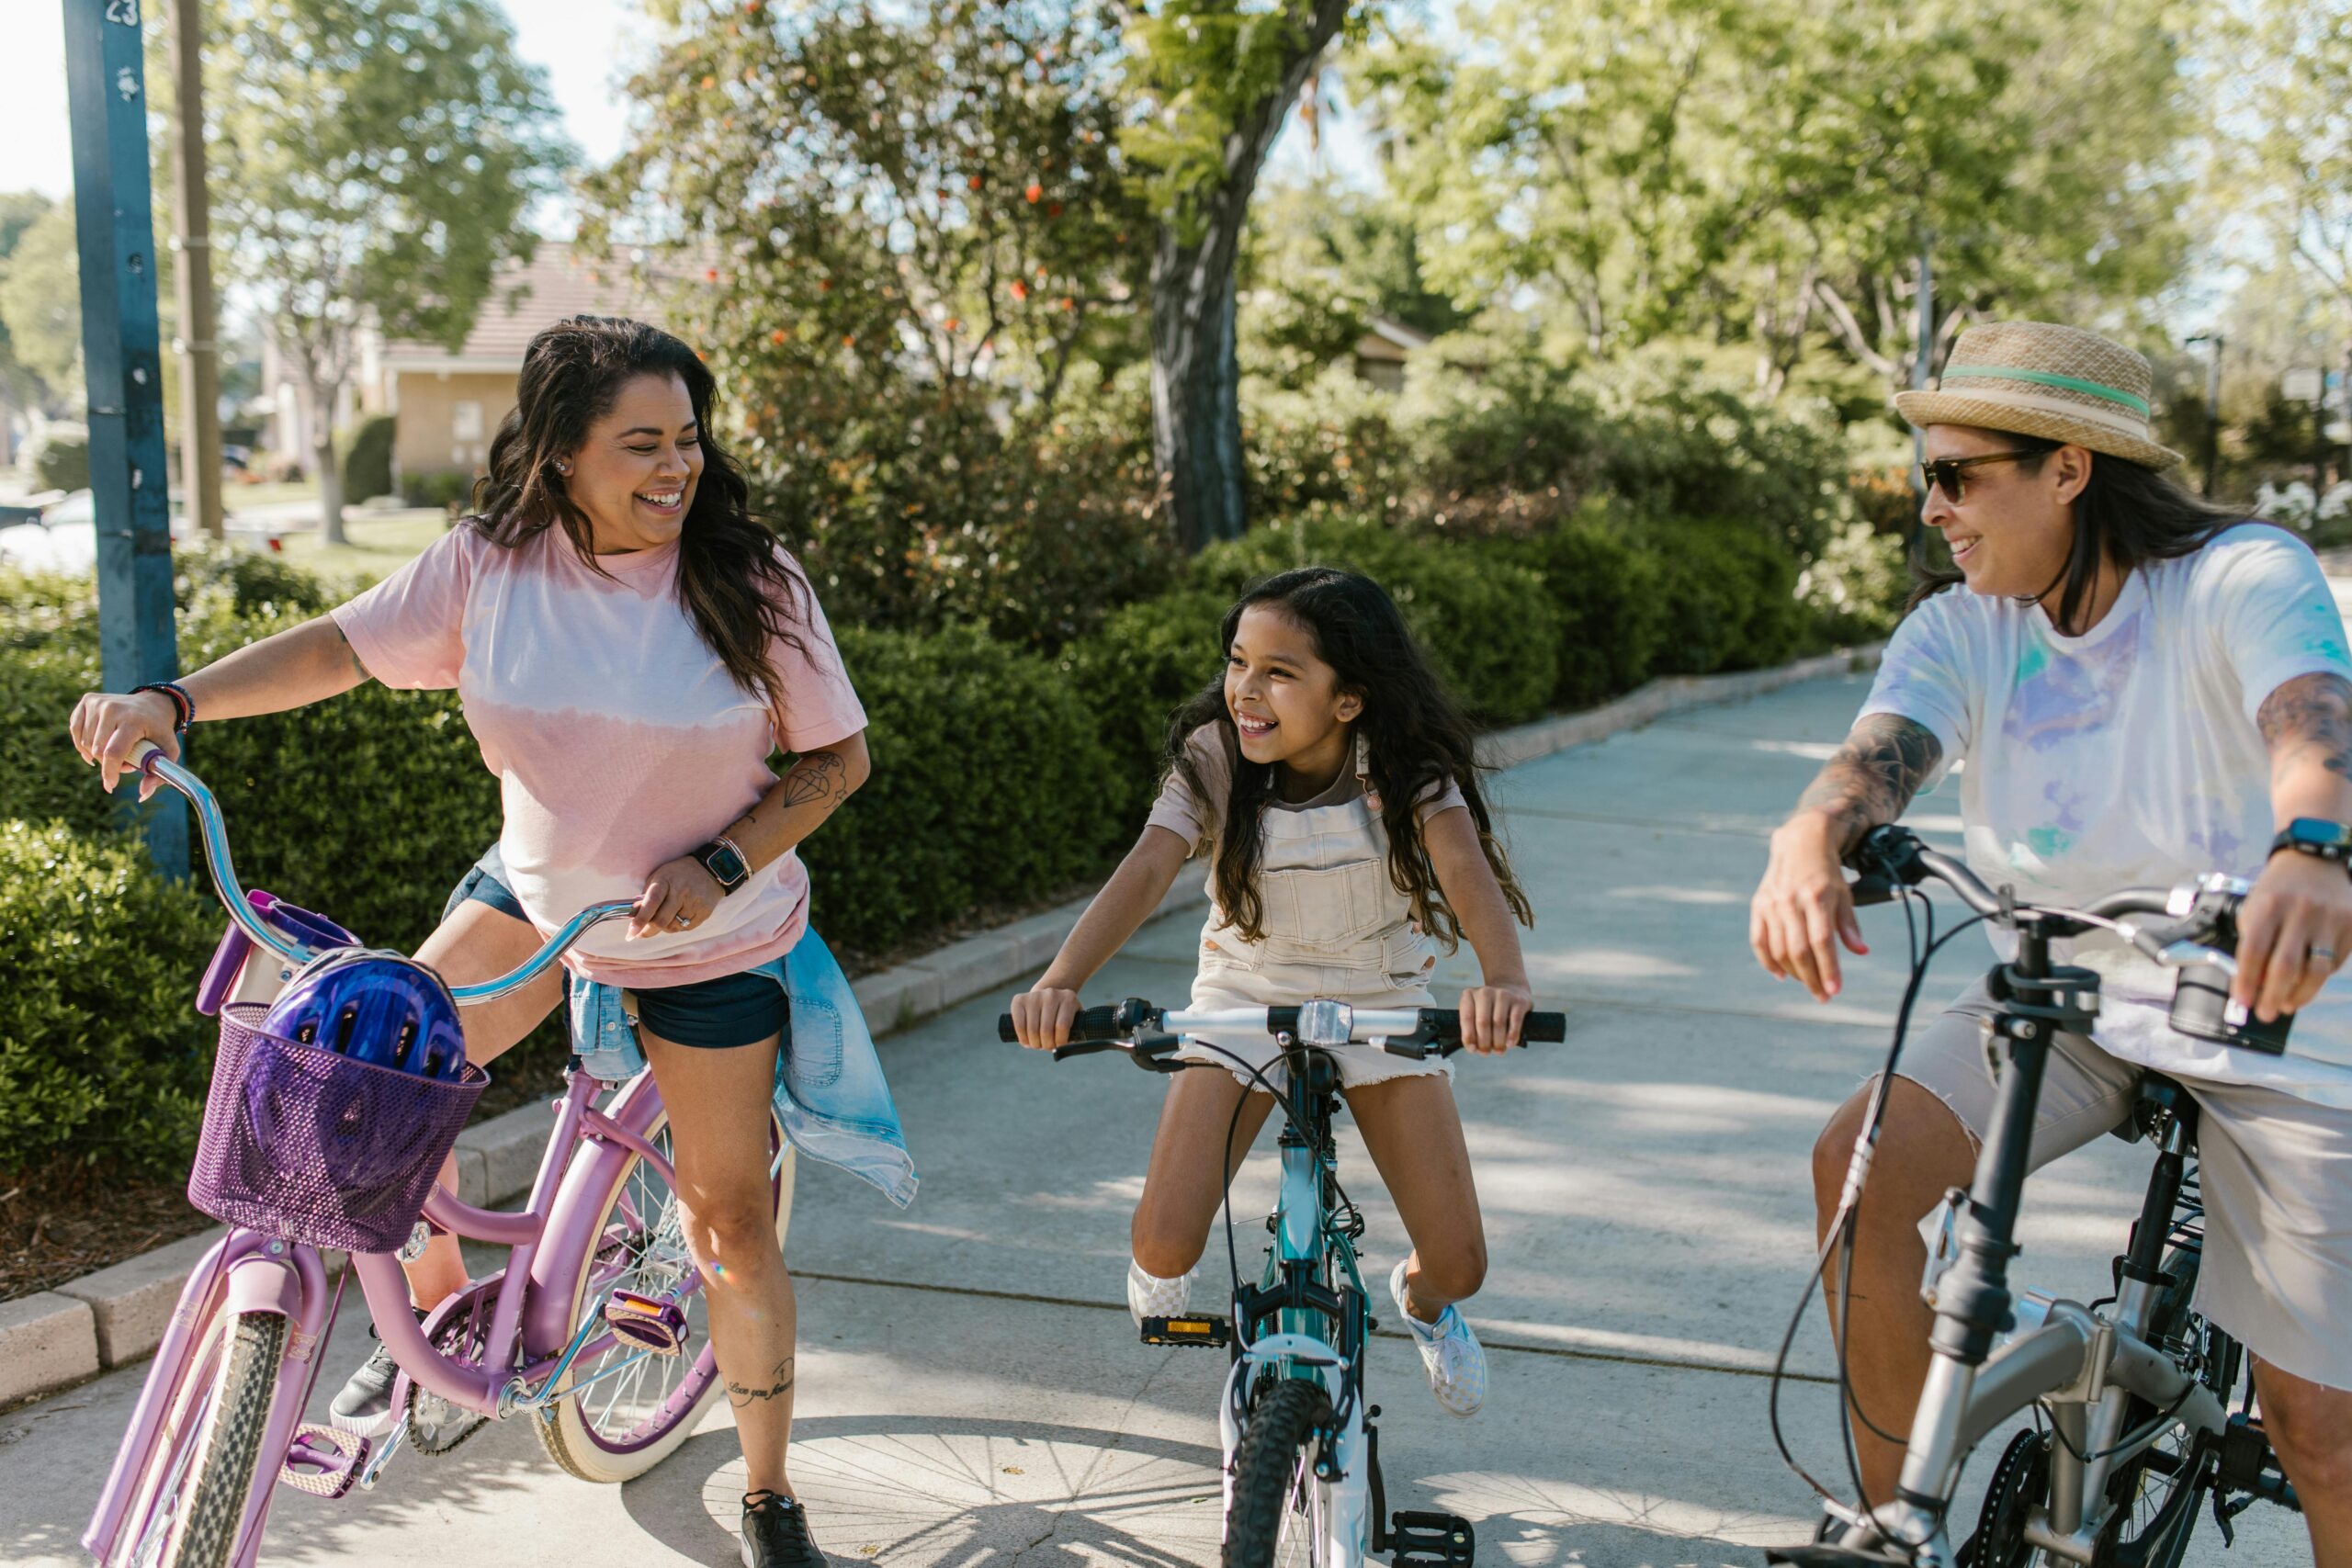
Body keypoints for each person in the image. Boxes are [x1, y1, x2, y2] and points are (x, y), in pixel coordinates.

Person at [70, 315, 876, 1568]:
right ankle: (434, 1333)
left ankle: (770, 1494)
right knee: (382, 1087)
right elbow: (342, 644)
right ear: (560, 451)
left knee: (726, 1218)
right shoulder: (490, 564)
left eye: (690, 440)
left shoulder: (749, 577)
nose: (678, 470)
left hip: (703, 928)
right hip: (538, 891)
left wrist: (719, 863)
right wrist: (175, 700)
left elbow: (838, 757)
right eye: (642, 444)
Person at [1749, 321, 2352, 1562]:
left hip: (2274, 1002)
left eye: (1960, 474)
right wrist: (1810, 834)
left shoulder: (2242, 575)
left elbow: (2313, 718)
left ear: (2069, 467)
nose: (1934, 507)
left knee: (2318, 1424)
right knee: (1858, 1172)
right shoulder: (1968, 622)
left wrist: (2313, 844)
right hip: (2064, 991)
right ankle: (1888, 1517)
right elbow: (1878, 757)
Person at [1008, 567, 1538, 1416]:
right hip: (1243, 990)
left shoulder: (1405, 772)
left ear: (1350, 700)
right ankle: (1168, 1265)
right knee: (1166, 1245)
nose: (1245, 691)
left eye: (1280, 672)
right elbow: (1148, 865)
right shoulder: (1217, 757)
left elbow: (1467, 873)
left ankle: (1424, 1307)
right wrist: (1060, 981)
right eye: (1237, 661)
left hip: (1380, 995)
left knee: (1460, 1260)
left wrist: (1503, 982)